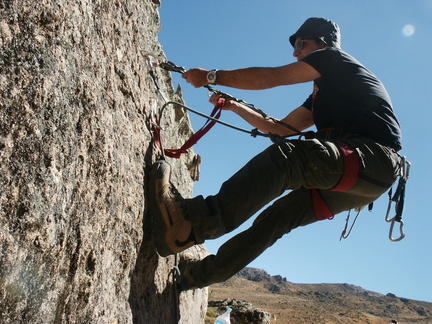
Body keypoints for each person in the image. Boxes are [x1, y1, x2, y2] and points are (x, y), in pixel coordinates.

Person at [149, 17, 402, 291]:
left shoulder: (334, 59)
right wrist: (234, 107)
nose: (296, 51)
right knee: (278, 218)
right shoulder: (323, 93)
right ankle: (197, 275)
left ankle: (190, 223)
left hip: (370, 158)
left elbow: (271, 78)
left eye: (301, 44)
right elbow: (278, 129)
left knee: (287, 159)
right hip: (364, 178)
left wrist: (211, 76)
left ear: (323, 43)